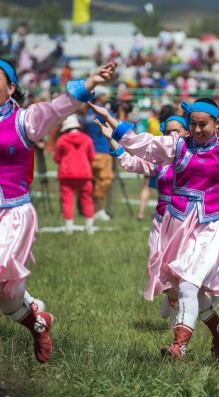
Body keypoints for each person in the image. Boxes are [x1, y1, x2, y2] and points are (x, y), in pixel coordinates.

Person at [89, 97, 219, 360]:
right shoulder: (177, 146)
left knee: (187, 286)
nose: (196, 130)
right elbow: (144, 144)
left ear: (217, 123)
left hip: (211, 227)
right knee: (188, 285)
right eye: (192, 124)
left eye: (203, 125)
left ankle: (179, 345)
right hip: (179, 225)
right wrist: (113, 120)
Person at [0, 58, 115, 363]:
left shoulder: (25, 120)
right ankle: (38, 322)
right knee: (8, 301)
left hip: (12, 214)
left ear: (11, 87)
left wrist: (90, 82)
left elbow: (58, 108)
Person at [105, 115, 188, 328]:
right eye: (168, 131)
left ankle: (178, 313)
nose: (172, 135)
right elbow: (132, 163)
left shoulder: (192, 158)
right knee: (156, 265)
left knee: (179, 270)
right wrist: (112, 140)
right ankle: (172, 302)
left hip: (184, 224)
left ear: (187, 133)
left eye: (177, 130)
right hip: (160, 223)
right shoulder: (159, 162)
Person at [54, 115, 95, 234]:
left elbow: (57, 158)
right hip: (84, 174)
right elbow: (91, 157)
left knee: (67, 201)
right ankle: (89, 227)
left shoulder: (62, 140)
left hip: (66, 174)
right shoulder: (87, 139)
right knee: (87, 200)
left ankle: (69, 228)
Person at [83, 85, 115, 221]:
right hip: (102, 151)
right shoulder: (103, 111)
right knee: (104, 181)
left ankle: (88, 209)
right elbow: (115, 124)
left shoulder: (88, 112)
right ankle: (99, 210)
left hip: (90, 152)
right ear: (100, 96)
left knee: (92, 182)